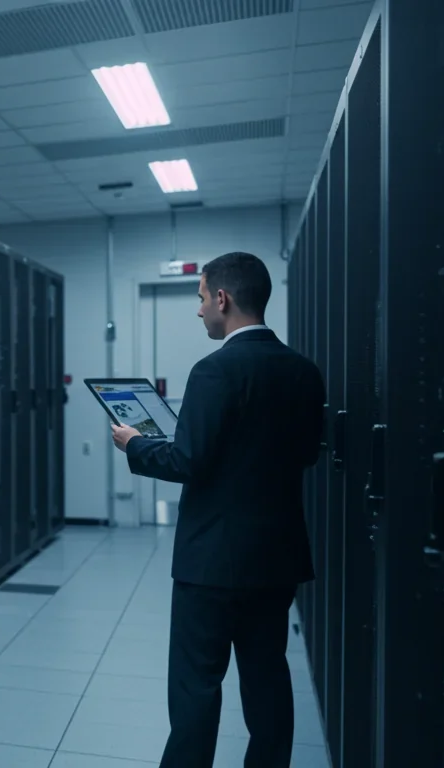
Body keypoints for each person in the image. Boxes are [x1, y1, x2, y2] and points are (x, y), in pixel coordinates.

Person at [111, 251, 325, 768]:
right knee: (268, 679)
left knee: (196, 691)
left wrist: (135, 445)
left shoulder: (214, 371)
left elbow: (187, 459)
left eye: (202, 297)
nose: (200, 309)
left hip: (210, 564)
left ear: (223, 299)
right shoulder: (303, 371)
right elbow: (306, 453)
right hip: (275, 560)